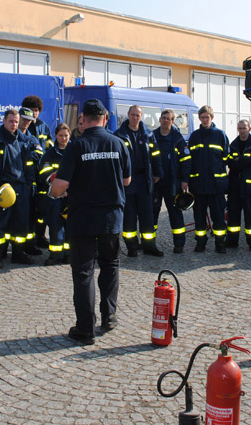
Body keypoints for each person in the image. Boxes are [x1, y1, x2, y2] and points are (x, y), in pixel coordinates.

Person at [50, 99, 131, 345]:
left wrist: (55, 190)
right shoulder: (119, 144)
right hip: (111, 217)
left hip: (83, 217)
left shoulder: (77, 146)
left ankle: (86, 328)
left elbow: (59, 187)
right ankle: (109, 317)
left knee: (84, 272)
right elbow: (126, 181)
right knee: (110, 265)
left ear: (83, 118)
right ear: (105, 118)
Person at [0, 109, 38, 268]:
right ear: (3, 121)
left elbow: (29, 165)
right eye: (11, 121)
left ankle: (18, 253)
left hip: (21, 188)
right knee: (0, 224)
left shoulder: (23, 141)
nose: (14, 124)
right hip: (3, 188)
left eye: (16, 121)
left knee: (21, 224)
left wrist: (30, 184)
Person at [114, 105, 163, 257]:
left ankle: (149, 246)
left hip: (144, 179)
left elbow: (156, 155)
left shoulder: (148, 134)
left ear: (141, 116)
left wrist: (157, 173)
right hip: (128, 181)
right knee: (129, 217)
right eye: (133, 114)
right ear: (128, 115)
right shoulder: (119, 135)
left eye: (138, 115)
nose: (135, 117)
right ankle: (132, 247)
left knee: (147, 216)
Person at [187, 106, 229, 253]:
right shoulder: (194, 136)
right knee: (199, 217)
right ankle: (200, 242)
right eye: (202, 117)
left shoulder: (220, 135)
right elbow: (189, 161)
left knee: (218, 217)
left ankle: (220, 243)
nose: (205, 120)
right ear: (199, 118)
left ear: (212, 118)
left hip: (216, 185)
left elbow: (226, 159)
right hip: (198, 185)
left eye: (207, 117)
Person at [151, 109, 190, 253]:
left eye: (168, 118)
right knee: (152, 213)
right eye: (163, 118)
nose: (166, 120)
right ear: (160, 119)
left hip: (173, 183)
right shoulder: (153, 136)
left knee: (175, 214)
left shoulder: (178, 138)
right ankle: (150, 244)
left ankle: (179, 244)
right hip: (156, 182)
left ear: (173, 121)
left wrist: (185, 180)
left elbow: (186, 161)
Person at [225, 119, 251, 252]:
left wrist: (239, 160)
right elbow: (230, 163)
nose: (242, 131)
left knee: (250, 217)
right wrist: (244, 160)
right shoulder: (233, 144)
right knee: (233, 216)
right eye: (240, 128)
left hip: (249, 187)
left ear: (249, 129)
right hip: (235, 186)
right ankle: (232, 240)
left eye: (244, 128)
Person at [38, 123, 71, 265]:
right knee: (56, 226)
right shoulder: (50, 154)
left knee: (71, 226)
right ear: (55, 136)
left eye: (66, 135)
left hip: (71, 196)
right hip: (55, 196)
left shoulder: (74, 151)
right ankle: (55, 255)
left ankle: (69, 254)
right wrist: (60, 189)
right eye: (60, 135)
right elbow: (44, 174)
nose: (63, 138)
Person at [22, 95, 52, 249]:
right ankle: (29, 242)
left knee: (42, 210)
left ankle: (40, 236)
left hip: (42, 176)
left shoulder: (43, 127)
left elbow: (50, 149)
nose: (34, 114)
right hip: (28, 174)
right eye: (31, 110)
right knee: (29, 211)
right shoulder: (24, 128)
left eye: (36, 110)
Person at [16, 107, 44, 256]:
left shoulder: (31, 137)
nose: (26, 122)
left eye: (29, 120)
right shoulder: (14, 137)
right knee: (17, 218)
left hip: (31, 181)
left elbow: (40, 153)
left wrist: (27, 155)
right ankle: (15, 249)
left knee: (31, 217)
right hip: (17, 182)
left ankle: (29, 245)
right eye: (24, 119)